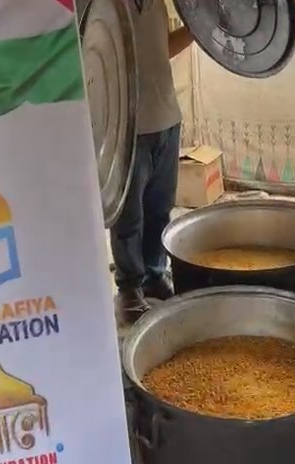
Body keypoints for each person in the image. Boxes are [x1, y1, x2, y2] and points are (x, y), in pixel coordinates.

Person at [111, 0, 194, 319]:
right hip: (126, 126)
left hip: (166, 118)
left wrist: (197, 32)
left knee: (160, 209)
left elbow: (161, 49)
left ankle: (154, 275)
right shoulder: (100, 6)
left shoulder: (157, 5)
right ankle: (129, 288)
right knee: (128, 216)